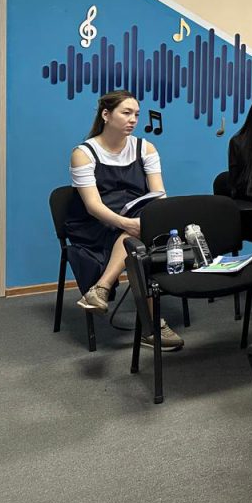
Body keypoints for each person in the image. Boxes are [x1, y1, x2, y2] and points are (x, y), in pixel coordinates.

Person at [66, 90, 182, 350]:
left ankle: (101, 289)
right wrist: (128, 223)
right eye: (126, 113)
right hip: (95, 224)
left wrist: (151, 220)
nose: (133, 120)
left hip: (135, 218)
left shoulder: (146, 148)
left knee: (141, 235)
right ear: (106, 115)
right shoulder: (83, 153)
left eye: (136, 115)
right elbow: (93, 206)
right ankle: (152, 326)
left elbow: (159, 195)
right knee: (137, 242)